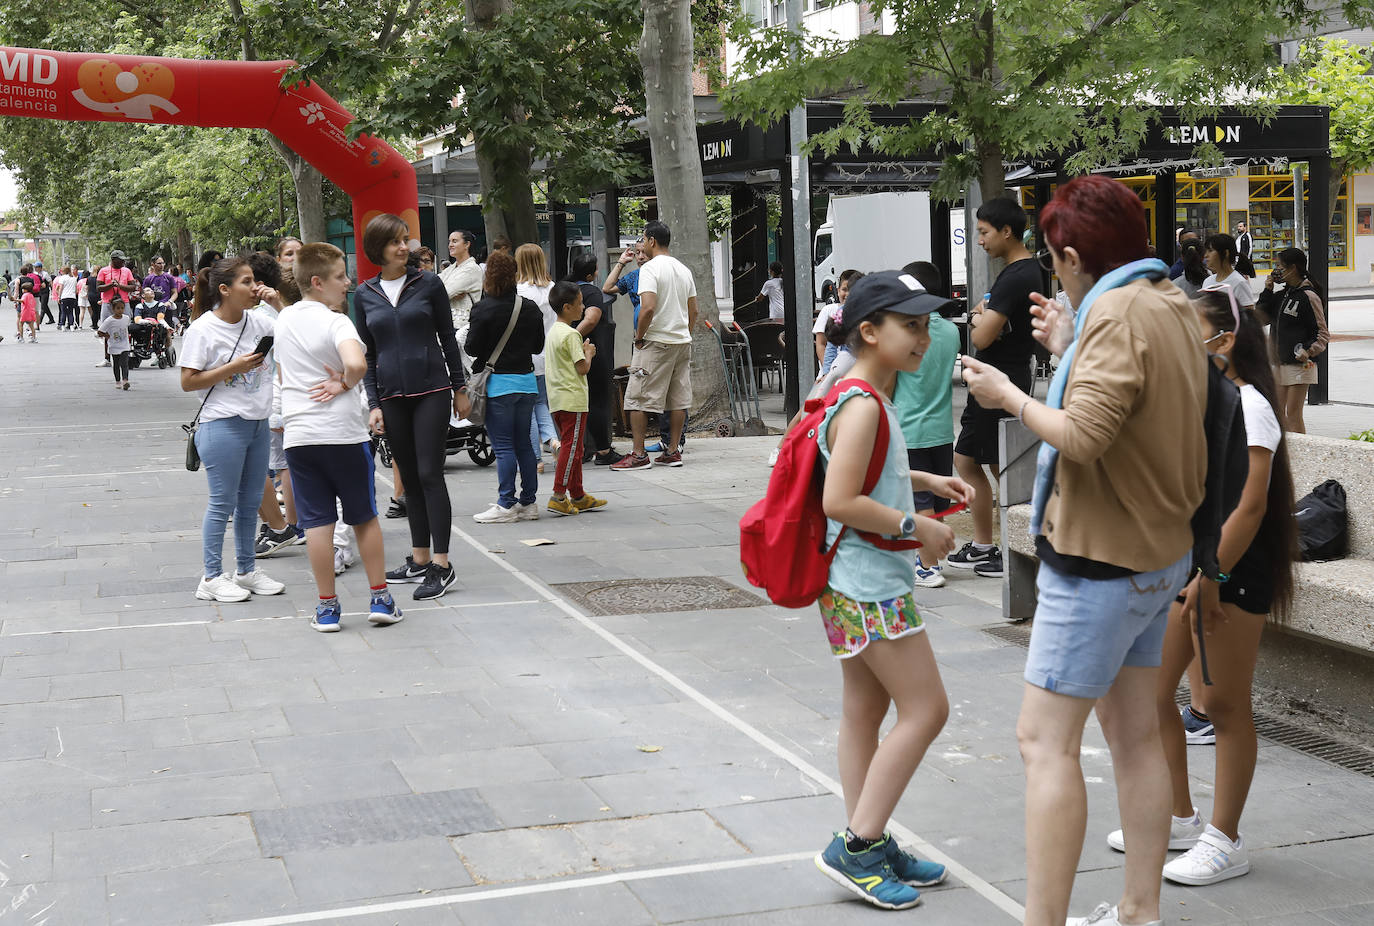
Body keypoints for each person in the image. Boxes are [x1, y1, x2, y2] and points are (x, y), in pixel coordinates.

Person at [961, 174, 1208, 926]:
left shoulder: (1120, 316)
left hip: (1099, 561)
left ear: (1070, 255)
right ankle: (1140, 911)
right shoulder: (1164, 300)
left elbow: (1085, 436)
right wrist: (1071, 347)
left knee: (1044, 741)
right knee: (1136, 738)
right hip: (1157, 556)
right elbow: (1129, 405)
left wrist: (1010, 395)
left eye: (1054, 258)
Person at [1098, 284, 1296, 890]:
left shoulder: (1251, 405)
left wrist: (1211, 577)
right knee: (1155, 694)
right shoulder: (1199, 400)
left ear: (1224, 340)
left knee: (1224, 703)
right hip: (1191, 569)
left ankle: (1225, 838)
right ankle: (1176, 816)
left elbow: (1252, 504)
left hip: (1232, 572)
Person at [809, 270, 970, 911]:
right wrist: (917, 526)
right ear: (869, 331)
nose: (923, 337)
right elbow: (840, 498)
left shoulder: (860, 392)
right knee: (928, 710)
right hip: (870, 584)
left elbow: (869, 473)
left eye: (927, 325)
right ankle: (858, 843)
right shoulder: (865, 404)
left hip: (849, 581)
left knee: (863, 711)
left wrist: (926, 480)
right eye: (911, 325)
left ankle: (867, 843)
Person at [274, 242, 403, 633]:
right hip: (343, 435)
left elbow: (282, 376)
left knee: (317, 524)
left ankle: (327, 608)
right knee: (363, 519)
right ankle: (380, 598)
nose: (348, 283)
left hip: (300, 435)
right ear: (317, 282)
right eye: (340, 276)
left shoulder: (284, 321)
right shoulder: (337, 321)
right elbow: (356, 363)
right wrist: (344, 384)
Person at [355, 214, 469, 601]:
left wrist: (460, 386)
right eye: (395, 242)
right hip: (390, 396)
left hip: (432, 389)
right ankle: (420, 558)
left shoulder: (429, 284)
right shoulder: (365, 293)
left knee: (429, 473)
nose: (403, 247)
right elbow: (368, 355)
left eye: (405, 240)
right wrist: (374, 403)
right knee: (409, 480)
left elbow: (447, 339)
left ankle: (442, 564)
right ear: (377, 249)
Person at [179, 257, 286, 604]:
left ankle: (246, 571)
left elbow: (299, 333)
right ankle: (210, 577)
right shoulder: (203, 329)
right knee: (222, 503)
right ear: (224, 289)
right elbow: (187, 381)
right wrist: (233, 367)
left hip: (257, 423)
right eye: (246, 281)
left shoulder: (259, 321)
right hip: (222, 424)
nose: (254, 287)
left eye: (254, 280)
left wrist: (277, 303)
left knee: (250, 501)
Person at [949, 197, 1038, 579]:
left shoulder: (1016, 276)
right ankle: (990, 545)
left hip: (998, 381)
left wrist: (975, 316)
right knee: (976, 460)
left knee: (1003, 466)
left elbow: (982, 337)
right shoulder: (1027, 271)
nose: (980, 240)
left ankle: (1012, 547)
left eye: (984, 232)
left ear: (1006, 231)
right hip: (1003, 378)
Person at [466, 251, 547, 523]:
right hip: (527, 383)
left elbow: (471, 348)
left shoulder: (483, 309)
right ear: (514, 275)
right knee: (524, 443)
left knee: (502, 447)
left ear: (488, 277)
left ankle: (505, 504)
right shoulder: (530, 307)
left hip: (498, 386)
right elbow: (538, 346)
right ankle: (529, 503)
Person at [894, 261, 960, 589]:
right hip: (942, 429)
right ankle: (932, 553)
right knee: (938, 497)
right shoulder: (951, 331)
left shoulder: (906, 334)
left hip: (909, 429)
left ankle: (926, 565)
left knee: (921, 500)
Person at [611, 221, 697, 471]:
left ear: (651, 241)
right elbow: (694, 309)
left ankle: (638, 455)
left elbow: (647, 307)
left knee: (637, 397)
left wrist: (639, 336)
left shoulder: (650, 269)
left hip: (655, 341)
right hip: (681, 341)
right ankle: (672, 451)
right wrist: (685, 333)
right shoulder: (683, 269)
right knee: (677, 398)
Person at [544, 281, 609, 516]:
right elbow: (582, 368)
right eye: (579, 303)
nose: (583, 307)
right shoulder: (571, 334)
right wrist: (588, 353)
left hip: (557, 399)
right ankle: (559, 494)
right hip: (573, 399)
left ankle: (578, 494)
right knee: (572, 449)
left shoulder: (553, 331)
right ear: (567, 307)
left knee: (576, 448)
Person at [1256, 247, 1328, 434]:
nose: (1277, 270)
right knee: (1277, 412)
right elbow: (1261, 318)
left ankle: (1300, 456)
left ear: (1293, 268)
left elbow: (1322, 333)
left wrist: (1308, 350)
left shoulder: (1308, 296)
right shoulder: (1282, 295)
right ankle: (1283, 454)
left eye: (1280, 266)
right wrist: (1267, 290)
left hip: (1301, 363)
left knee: (1293, 414)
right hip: (1280, 363)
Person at [569, 254, 622, 466]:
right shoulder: (591, 292)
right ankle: (602, 450)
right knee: (597, 401)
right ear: (590, 274)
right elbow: (591, 319)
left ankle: (579, 448)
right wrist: (572, 338)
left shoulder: (564, 287)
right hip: (590, 352)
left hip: (565, 355)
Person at [514, 244, 560, 473]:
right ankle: (552, 439)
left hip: (526, 357)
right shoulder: (553, 289)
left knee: (527, 409)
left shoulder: (519, 291)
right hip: (548, 356)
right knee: (542, 402)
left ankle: (535, 459)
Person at [814, 269, 862, 375]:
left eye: (853, 290)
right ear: (838, 290)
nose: (848, 294)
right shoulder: (836, 312)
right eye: (845, 289)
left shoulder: (868, 312)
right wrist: (828, 373)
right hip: (837, 369)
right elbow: (826, 345)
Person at [96, 251, 137, 368]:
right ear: (113, 260)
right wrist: (110, 285)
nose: (123, 262)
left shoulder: (126, 271)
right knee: (106, 329)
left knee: (125, 328)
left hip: (123, 303)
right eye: (121, 260)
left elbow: (132, 287)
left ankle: (125, 355)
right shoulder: (103, 271)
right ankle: (107, 357)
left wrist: (119, 286)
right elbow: (98, 288)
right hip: (108, 303)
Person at [440, 229, 483, 331]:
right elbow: (434, 285)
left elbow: (445, 292)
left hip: (463, 326)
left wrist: (448, 291)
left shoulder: (472, 268)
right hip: (447, 324)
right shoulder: (451, 268)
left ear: (467, 244)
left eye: (454, 241)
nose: (450, 245)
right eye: (449, 241)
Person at [1202, 234, 1255, 310]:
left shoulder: (1239, 283)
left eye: (1210, 251)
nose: (1206, 255)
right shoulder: (1207, 281)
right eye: (1205, 251)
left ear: (1226, 253)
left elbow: (1249, 316)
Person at [98, 299, 133, 388]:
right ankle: (118, 381)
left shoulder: (126, 318)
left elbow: (126, 327)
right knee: (116, 364)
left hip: (125, 345)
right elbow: (100, 331)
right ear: (113, 309)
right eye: (118, 308)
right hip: (114, 346)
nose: (120, 310)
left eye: (122, 308)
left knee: (125, 363)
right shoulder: (109, 320)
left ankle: (125, 381)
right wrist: (107, 336)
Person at [54, 266, 77, 330]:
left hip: (64, 296)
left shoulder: (62, 278)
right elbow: (75, 289)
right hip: (72, 296)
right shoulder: (74, 278)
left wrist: (59, 296)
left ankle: (63, 325)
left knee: (63, 311)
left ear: (63, 271)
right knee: (71, 312)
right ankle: (71, 325)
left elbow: (61, 288)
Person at [33, 261, 53, 328]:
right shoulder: (35, 274)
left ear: (40, 268)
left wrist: (53, 291)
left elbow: (50, 281)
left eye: (36, 267)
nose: (35, 268)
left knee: (43, 306)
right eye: (35, 267)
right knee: (45, 305)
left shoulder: (45, 274)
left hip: (45, 292)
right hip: (39, 292)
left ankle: (40, 320)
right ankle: (51, 319)